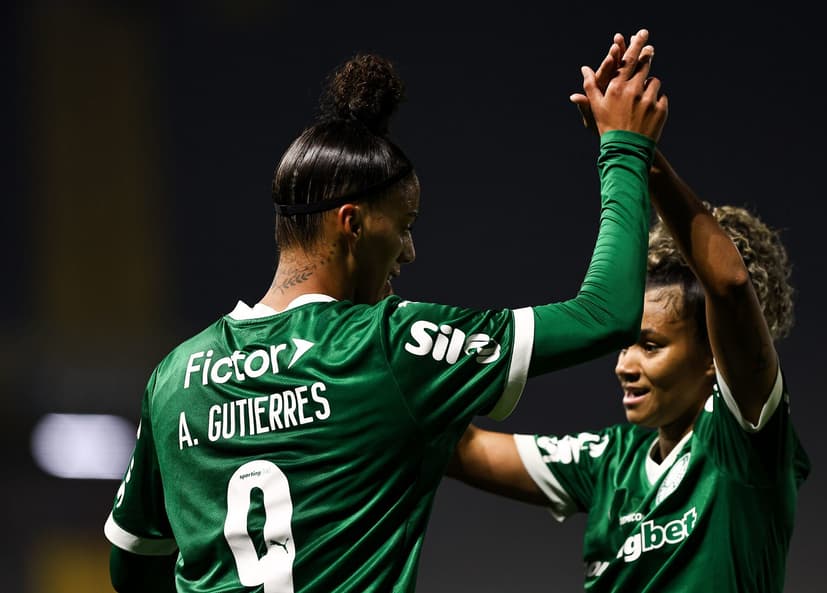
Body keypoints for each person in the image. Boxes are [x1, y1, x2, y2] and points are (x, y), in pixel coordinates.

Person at [103, 30, 669, 593]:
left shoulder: (174, 377)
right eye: (404, 228)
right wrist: (623, 146)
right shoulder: (390, 345)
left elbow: (132, 562)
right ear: (351, 223)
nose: (409, 251)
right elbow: (604, 314)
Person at [446, 36, 811, 593]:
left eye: (651, 344)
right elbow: (463, 447)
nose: (623, 364)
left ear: (715, 358)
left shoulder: (743, 446)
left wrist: (633, 152)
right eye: (626, 344)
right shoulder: (610, 461)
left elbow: (731, 286)